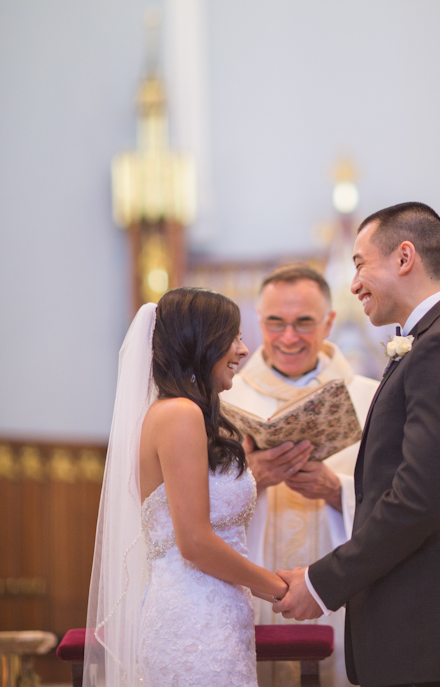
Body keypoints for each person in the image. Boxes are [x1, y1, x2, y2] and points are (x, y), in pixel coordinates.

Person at [274, 203, 440, 687]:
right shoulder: (439, 339)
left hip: (427, 627)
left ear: (405, 257)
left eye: (360, 263)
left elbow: (419, 502)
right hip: (426, 625)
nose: (354, 281)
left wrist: (321, 584)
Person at [84, 288, 288, 687]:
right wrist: (279, 589)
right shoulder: (179, 414)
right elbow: (193, 541)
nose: (243, 350)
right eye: (232, 337)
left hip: (217, 613)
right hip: (195, 622)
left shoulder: (185, 414)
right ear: (199, 341)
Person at [221, 264, 378, 687]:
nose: (288, 337)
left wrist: (336, 491)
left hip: (339, 585)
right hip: (251, 580)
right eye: (275, 322)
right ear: (258, 320)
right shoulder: (223, 397)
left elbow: (398, 500)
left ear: (329, 322)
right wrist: (247, 478)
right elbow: (185, 504)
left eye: (304, 322)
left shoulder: (370, 397)